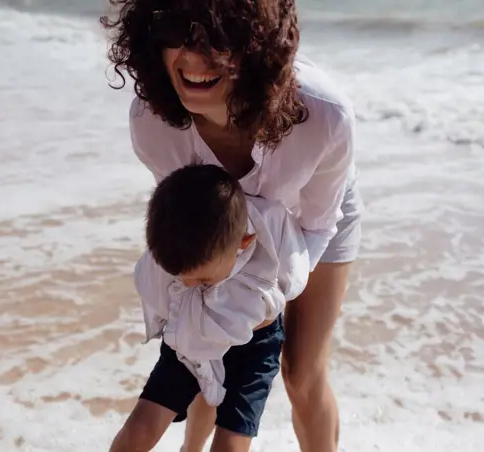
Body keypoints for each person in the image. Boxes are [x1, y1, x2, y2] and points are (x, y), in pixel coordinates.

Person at [101, 0, 363, 451]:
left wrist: (265, 293)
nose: (193, 55)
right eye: (176, 34)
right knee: (209, 346)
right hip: (219, 226)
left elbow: (319, 224)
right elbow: (188, 216)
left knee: (301, 372)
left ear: (254, 47)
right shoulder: (152, 122)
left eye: (217, 41)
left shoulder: (323, 115)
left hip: (311, 221)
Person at [110, 163, 309, 452]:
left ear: (244, 243)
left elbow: (294, 275)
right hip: (191, 335)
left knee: (231, 440)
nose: (190, 285)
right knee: (147, 418)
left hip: (254, 349)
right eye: (179, 276)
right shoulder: (178, 243)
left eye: (201, 278)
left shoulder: (269, 227)